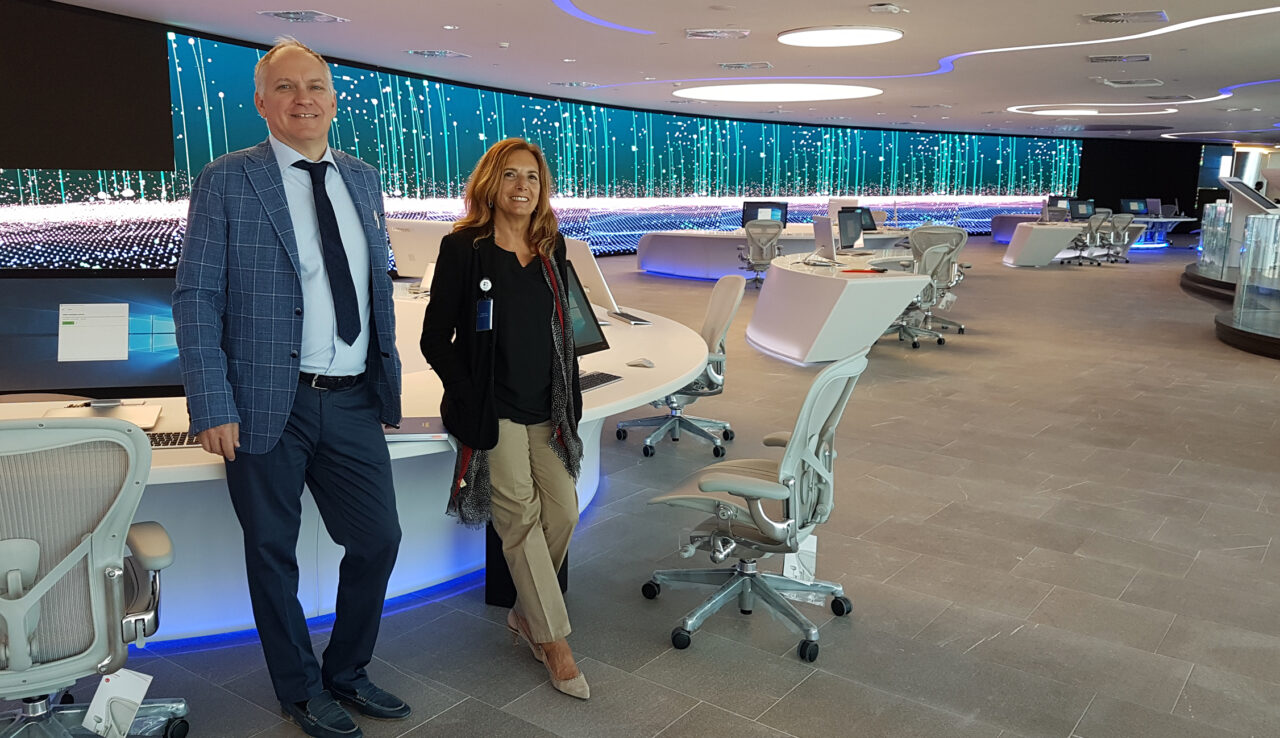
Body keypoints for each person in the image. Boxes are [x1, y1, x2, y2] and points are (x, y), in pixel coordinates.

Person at [173, 37, 409, 738]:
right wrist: (211, 401)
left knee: (378, 540)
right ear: (261, 102)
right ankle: (300, 689)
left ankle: (347, 670)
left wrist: (385, 378)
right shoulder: (227, 178)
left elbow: (372, 287)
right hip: (263, 402)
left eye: (315, 87)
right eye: (286, 87)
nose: (303, 99)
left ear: (333, 100)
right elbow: (195, 297)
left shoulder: (362, 177)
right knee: (273, 555)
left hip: (353, 396)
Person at [419, 138, 589, 699]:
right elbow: (434, 339)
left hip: (546, 408)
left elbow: (564, 333)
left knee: (563, 511)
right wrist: (469, 394)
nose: (523, 186)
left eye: (533, 177)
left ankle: (525, 610)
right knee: (519, 517)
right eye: (512, 175)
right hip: (494, 411)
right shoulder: (463, 248)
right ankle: (554, 642)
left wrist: (569, 397)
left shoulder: (551, 248)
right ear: (491, 184)